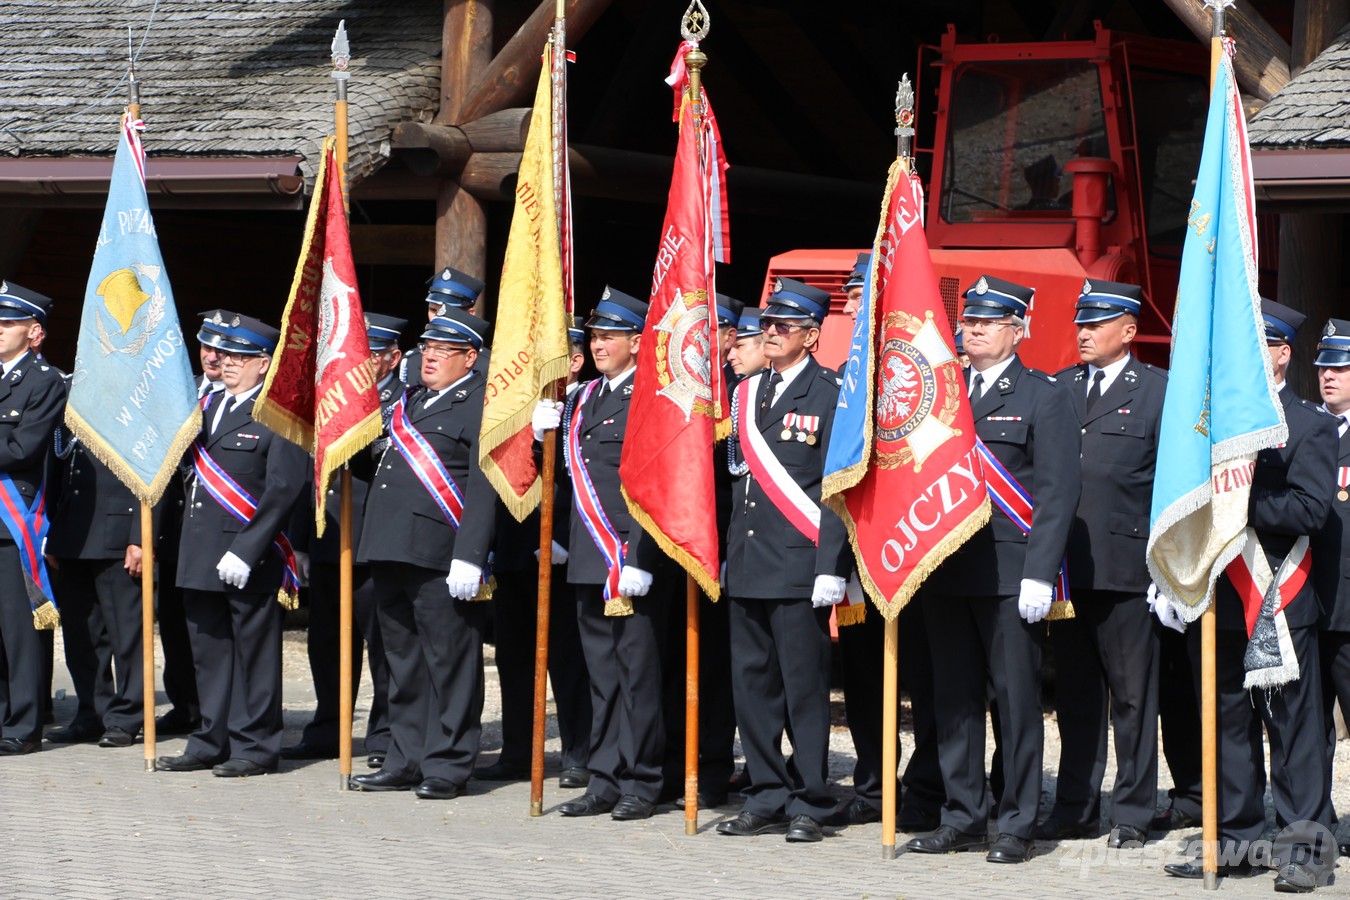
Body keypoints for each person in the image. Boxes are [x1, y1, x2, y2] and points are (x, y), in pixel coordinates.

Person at [907, 274, 1080, 864]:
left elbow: (1057, 491)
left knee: (1016, 700)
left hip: (1011, 575)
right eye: (970, 320)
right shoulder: (942, 391)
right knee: (953, 699)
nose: (973, 329)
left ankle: (1016, 821)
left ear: (1017, 329)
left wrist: (1040, 571)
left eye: (988, 321)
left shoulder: (1044, 394)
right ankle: (962, 814)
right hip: (946, 568)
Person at [1165, 300, 1338, 891]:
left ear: (1281, 353)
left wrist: (1241, 504)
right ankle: (1238, 842)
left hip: (1278, 600)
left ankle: (1305, 851)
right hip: (1218, 599)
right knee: (1228, 730)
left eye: (1253, 345)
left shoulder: (1308, 423)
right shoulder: (1208, 422)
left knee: (1295, 735)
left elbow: (1313, 508)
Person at [714, 277, 851, 844]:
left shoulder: (831, 393)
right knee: (753, 689)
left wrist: (829, 565)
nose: (769, 333)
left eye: (783, 327)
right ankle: (766, 794)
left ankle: (810, 800)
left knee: (804, 690)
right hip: (748, 561)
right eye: (767, 325)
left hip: (799, 566)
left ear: (812, 336)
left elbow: (839, 487)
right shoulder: (746, 393)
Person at [531, 286, 671, 821]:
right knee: (601, 677)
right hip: (590, 557)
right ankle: (605, 777)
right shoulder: (583, 397)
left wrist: (640, 554)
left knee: (638, 675)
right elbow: (563, 476)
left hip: (629, 558)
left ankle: (642, 780)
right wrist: (541, 435)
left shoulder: (650, 398)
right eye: (593, 336)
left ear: (637, 341)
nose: (597, 344)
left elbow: (656, 483)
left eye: (609, 336)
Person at [1040, 279, 1168, 848]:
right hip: (1067, 568)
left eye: (1096, 323)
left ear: (1129, 330)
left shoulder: (1158, 392)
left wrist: (1168, 570)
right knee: (1075, 696)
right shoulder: (1059, 388)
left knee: (1135, 697)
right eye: (1080, 323)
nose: (1083, 332)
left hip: (1127, 569)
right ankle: (1074, 806)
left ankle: (1133, 812)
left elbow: (1170, 486)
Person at [350, 308, 497, 800]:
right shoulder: (409, 401)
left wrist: (471, 553)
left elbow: (484, 483)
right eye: (427, 348)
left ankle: (449, 763)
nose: (430, 356)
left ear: (470, 357)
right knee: (403, 662)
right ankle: (405, 757)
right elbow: (377, 467)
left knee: (450, 661)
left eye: (443, 350)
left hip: (441, 552)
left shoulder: (480, 403)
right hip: (390, 546)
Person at [156, 312, 306, 777]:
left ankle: (255, 746)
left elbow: (283, 488)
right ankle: (209, 739)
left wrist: (247, 549)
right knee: (209, 653)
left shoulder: (277, 414)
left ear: (264, 363)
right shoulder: (204, 405)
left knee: (254, 655)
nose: (228, 363)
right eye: (225, 354)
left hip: (248, 555)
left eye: (241, 356)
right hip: (199, 550)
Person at [828, 254, 944, 832]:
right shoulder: (843, 376)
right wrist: (836, 562)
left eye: (859, 296)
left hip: (912, 548)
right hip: (860, 556)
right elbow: (834, 478)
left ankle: (927, 787)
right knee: (867, 679)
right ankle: (874, 787)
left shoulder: (916, 369)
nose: (851, 306)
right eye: (851, 296)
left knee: (925, 678)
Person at [282, 313, 407, 766]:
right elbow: (307, 476)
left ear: (392, 359)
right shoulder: (330, 399)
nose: (359, 361)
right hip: (329, 537)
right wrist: (298, 541)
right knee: (327, 644)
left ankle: (384, 734)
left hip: (372, 541)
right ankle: (327, 728)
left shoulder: (401, 403)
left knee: (382, 643)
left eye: (369, 353)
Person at [478, 316, 592, 787]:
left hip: (566, 549)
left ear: (576, 359)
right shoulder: (520, 404)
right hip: (514, 546)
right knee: (515, 656)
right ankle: (517, 749)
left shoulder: (587, 402)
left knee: (568, 658)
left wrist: (566, 535)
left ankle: (578, 752)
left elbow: (590, 478)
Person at [44, 420, 146, 749]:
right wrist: (55, 534)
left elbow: (151, 479)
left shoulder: (136, 404)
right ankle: (92, 713)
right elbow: (57, 471)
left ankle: (127, 716)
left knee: (125, 637)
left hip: (118, 538)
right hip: (73, 536)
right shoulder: (74, 402)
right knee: (82, 637)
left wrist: (139, 536)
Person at [154, 321, 229, 737]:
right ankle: (184, 704)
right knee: (174, 620)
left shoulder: (245, 401)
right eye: (207, 347)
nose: (213, 356)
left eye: (222, 350)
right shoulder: (182, 394)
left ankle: (216, 712)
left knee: (210, 627)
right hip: (175, 528)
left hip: (219, 527)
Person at [0, 282, 64, 756]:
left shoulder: (44, 382)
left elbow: (25, 448)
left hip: (11, 520)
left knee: (19, 631)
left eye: (7, 324)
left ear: (34, 332)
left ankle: (24, 726)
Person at [1311, 317, 1350, 860]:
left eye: (1340, 367)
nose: (1328, 376)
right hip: (1303, 602)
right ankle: (1314, 822)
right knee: (1304, 729)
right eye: (1323, 366)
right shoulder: (1303, 427)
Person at [399, 267, 486, 388]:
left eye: (448, 311)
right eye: (433, 310)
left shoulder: (489, 364)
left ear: (470, 313)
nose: (437, 317)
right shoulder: (412, 360)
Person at [727, 307, 767, 377]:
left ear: (766, 344)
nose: (730, 357)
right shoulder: (732, 386)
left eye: (739, 346)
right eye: (730, 349)